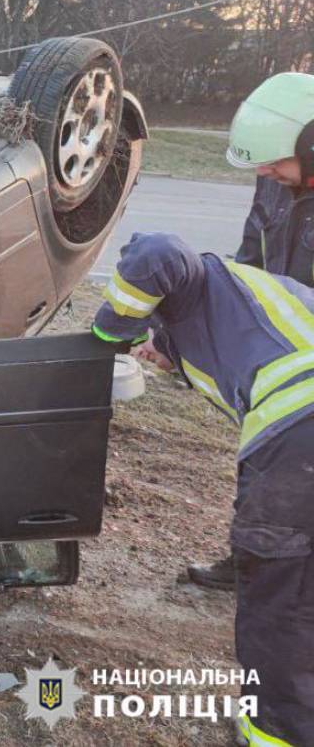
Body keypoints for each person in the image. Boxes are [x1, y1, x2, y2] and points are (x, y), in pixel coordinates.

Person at [94, 231, 314, 746]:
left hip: (302, 428)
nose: (147, 353)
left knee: (278, 593)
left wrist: (108, 335)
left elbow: (157, 253)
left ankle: (277, 733)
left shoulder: (197, 280)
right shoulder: (238, 311)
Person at [185, 71, 314, 591]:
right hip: (278, 359)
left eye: (276, 161)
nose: (265, 170)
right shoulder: (278, 179)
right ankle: (252, 563)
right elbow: (251, 258)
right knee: (261, 459)